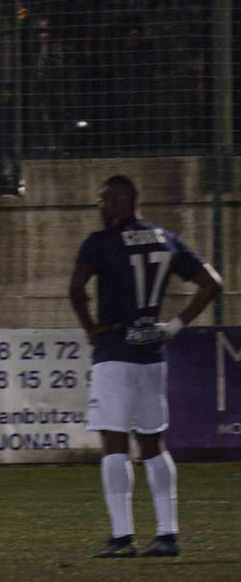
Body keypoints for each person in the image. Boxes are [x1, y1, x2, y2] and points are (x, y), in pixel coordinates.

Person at [68, 174, 221, 559]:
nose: (100, 208)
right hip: (152, 353)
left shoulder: (100, 242)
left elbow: (75, 288)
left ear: (119, 201)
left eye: (103, 200)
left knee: (114, 443)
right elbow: (212, 283)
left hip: (114, 352)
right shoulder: (166, 238)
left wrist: (90, 329)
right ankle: (167, 535)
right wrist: (174, 326)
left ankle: (122, 538)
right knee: (153, 444)